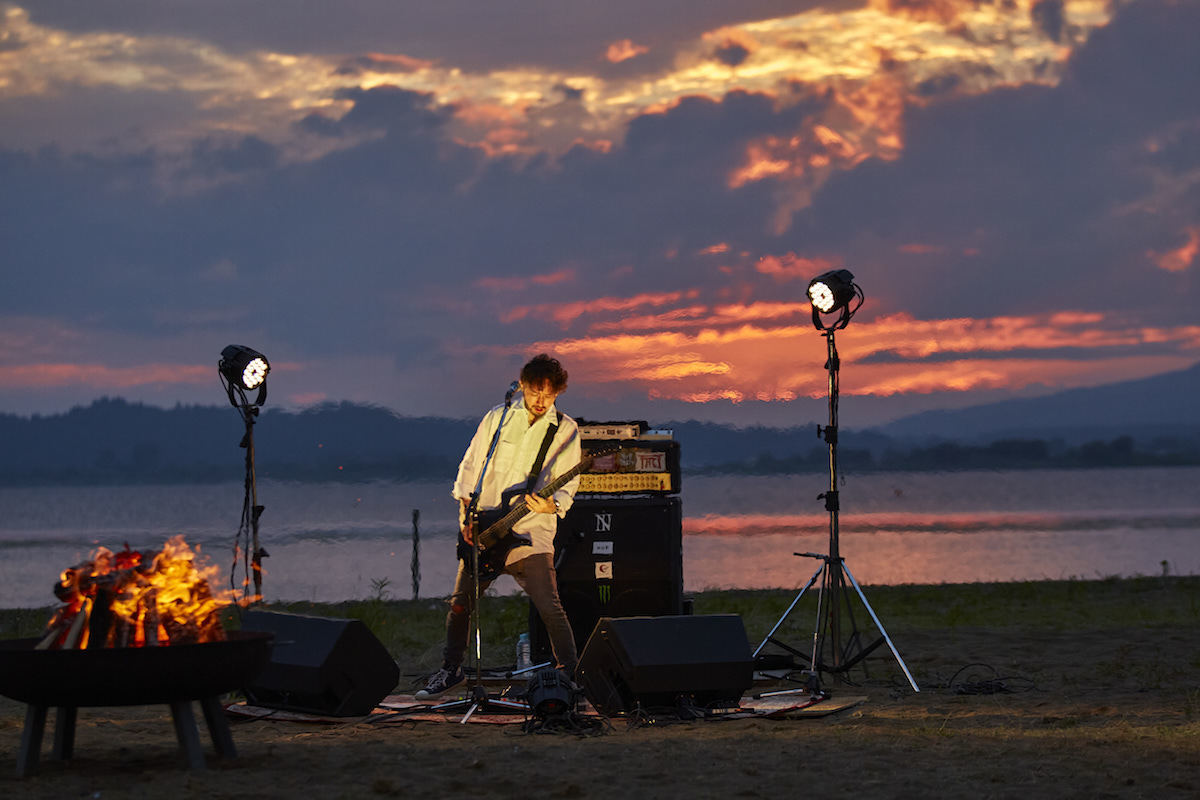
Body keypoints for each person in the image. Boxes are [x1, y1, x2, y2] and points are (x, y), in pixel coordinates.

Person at [416, 353, 582, 698]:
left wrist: (550, 503)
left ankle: (571, 676)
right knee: (460, 604)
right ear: (522, 386)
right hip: (486, 529)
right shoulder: (498, 417)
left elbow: (567, 485)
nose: (540, 401)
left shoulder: (565, 428)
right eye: (535, 392)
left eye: (549, 395)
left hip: (530, 530)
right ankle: (451, 670)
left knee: (549, 605)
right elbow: (471, 466)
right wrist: (466, 518)